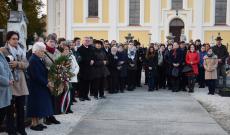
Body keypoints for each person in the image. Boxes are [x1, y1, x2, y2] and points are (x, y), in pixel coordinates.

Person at [0, 31, 29, 135]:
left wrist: (17, 63)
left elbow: (26, 64)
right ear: (8, 40)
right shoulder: (3, 50)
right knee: (10, 109)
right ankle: (11, 130)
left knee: (21, 108)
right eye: (13, 39)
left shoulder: (21, 50)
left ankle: (21, 128)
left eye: (17, 39)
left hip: (21, 82)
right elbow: (4, 65)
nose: (16, 41)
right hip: (10, 82)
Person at [27, 42, 53, 131]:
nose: (43, 53)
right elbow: (36, 75)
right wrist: (46, 83)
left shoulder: (38, 59)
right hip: (35, 86)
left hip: (40, 86)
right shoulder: (33, 60)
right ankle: (33, 124)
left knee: (39, 105)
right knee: (35, 105)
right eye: (42, 51)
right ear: (36, 51)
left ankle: (38, 123)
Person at [43, 34, 61, 124]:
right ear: (46, 42)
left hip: (56, 77)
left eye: (54, 41)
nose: (52, 43)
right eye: (50, 41)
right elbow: (42, 65)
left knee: (54, 97)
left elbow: (62, 61)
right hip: (47, 77)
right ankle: (46, 116)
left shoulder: (57, 51)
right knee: (47, 97)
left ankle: (51, 115)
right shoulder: (43, 51)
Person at [59, 41, 79, 113]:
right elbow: (61, 68)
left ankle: (69, 107)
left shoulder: (72, 56)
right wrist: (67, 75)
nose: (67, 50)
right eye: (65, 49)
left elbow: (77, 66)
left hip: (73, 77)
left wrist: (74, 73)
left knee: (72, 94)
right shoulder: (61, 57)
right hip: (66, 78)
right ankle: (64, 108)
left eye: (67, 49)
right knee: (65, 94)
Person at [0, 51, 14, 133]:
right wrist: (7, 81)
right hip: (3, 86)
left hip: (5, 90)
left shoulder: (1, 53)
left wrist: (11, 78)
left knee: (2, 114)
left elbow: (7, 67)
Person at [78, 37, 94, 101]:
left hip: (89, 69)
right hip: (82, 69)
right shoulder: (80, 49)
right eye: (86, 40)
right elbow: (81, 59)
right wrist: (89, 61)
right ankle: (81, 96)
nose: (87, 41)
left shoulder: (91, 48)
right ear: (83, 41)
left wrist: (92, 60)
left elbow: (93, 56)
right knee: (82, 83)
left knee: (88, 83)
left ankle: (86, 95)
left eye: (88, 41)